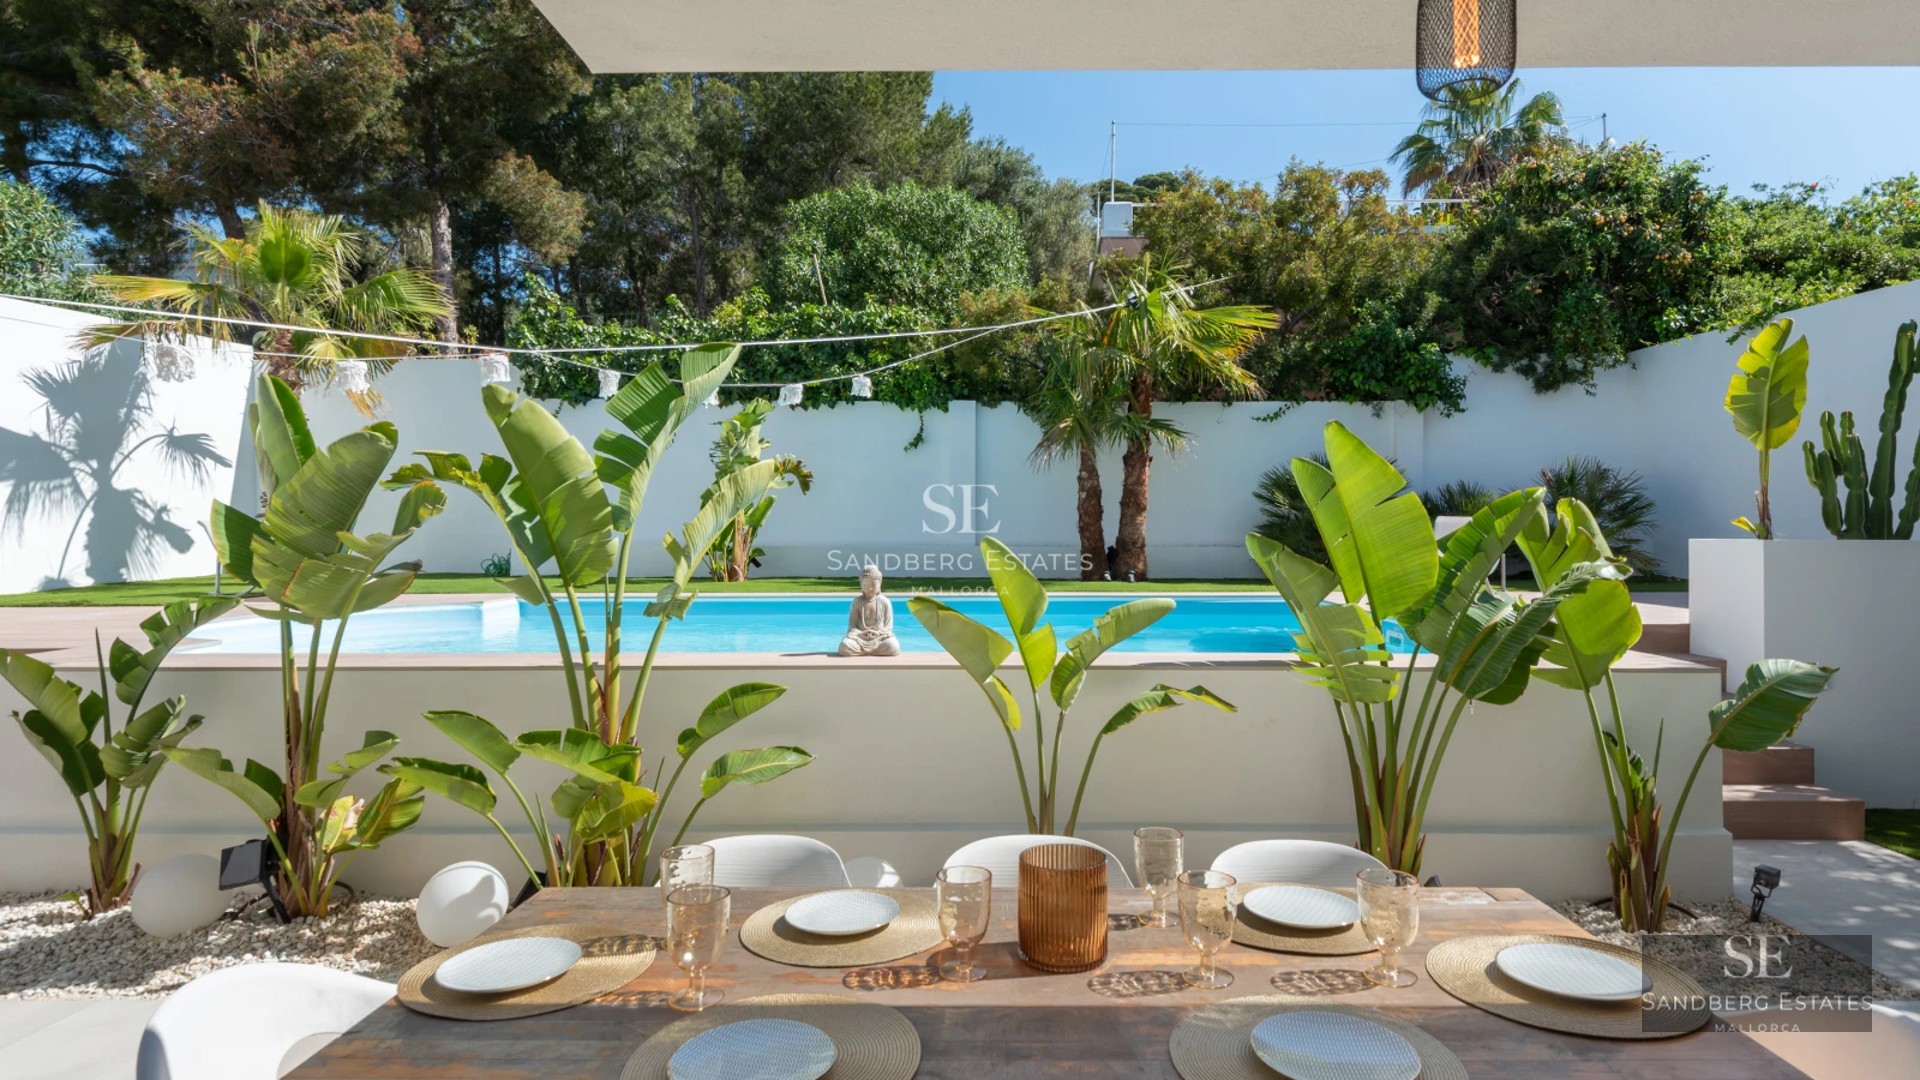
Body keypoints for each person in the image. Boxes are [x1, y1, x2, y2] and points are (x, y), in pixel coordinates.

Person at [838, 564, 900, 656]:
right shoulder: (857, 602)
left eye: (873, 584)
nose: (870, 588)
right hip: (860, 638)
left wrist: (877, 633)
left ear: (880, 583)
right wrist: (861, 633)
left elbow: (888, 628)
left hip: (879, 638)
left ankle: (864, 651)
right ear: (861, 584)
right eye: (866, 584)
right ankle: (868, 650)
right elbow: (852, 626)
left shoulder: (885, 602)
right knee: (844, 646)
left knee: (893, 646)